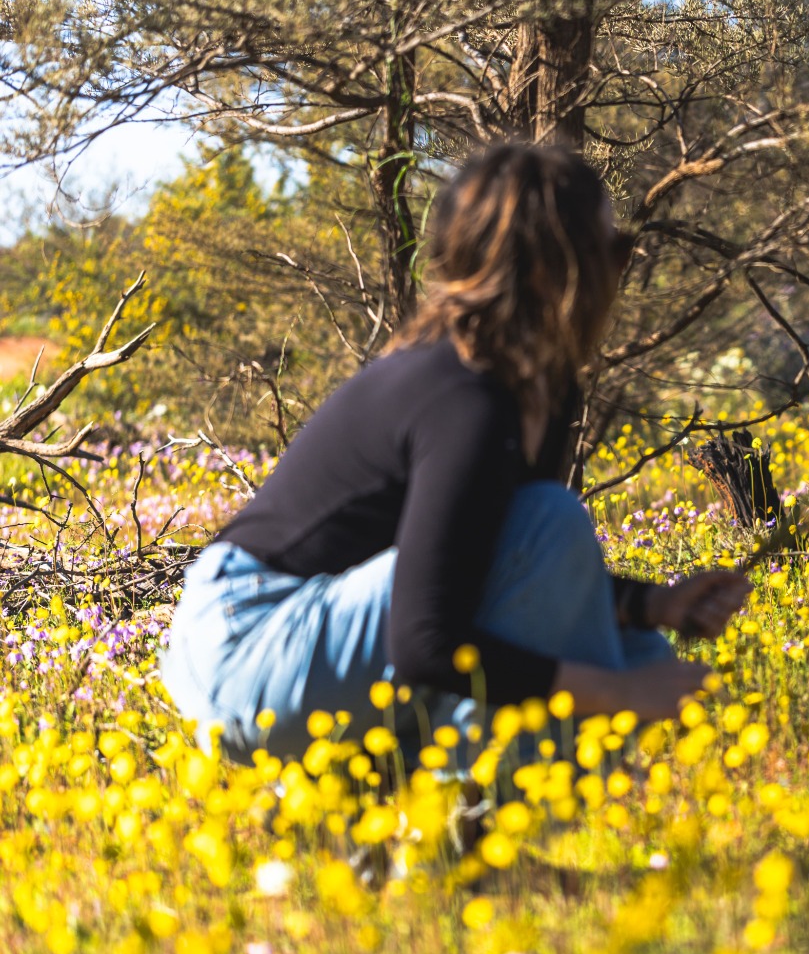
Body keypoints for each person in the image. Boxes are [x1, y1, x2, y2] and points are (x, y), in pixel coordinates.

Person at [161, 143, 752, 763]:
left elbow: (485, 571)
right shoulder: (466, 397)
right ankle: (486, 828)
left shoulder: (535, 396)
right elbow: (427, 642)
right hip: (244, 650)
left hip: (311, 643)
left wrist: (651, 605)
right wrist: (616, 692)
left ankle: (451, 835)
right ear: (556, 271)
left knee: (642, 649)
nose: (622, 271)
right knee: (562, 549)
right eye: (614, 251)